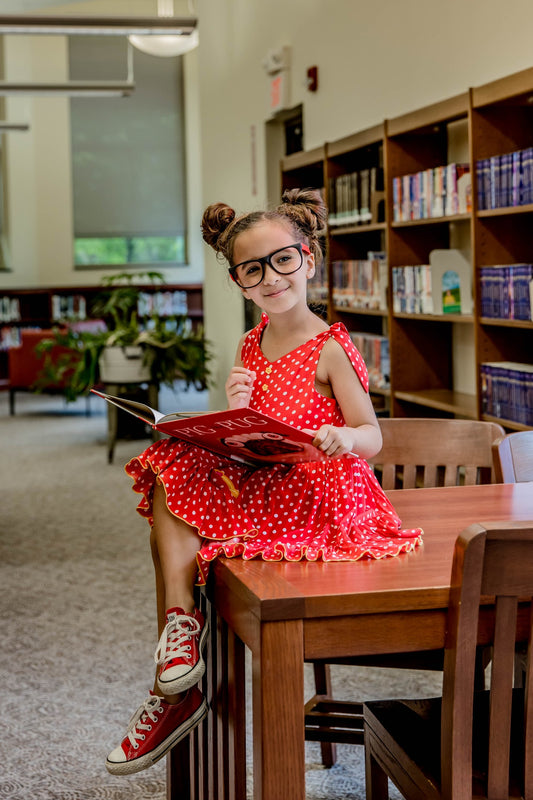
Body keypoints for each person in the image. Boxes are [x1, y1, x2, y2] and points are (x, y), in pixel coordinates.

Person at [105, 188, 423, 775]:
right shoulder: (250, 344)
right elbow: (257, 433)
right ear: (239, 281)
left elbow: (372, 436)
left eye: (284, 260)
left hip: (322, 495)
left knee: (175, 499)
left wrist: (343, 439)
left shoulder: (330, 346)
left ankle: (173, 687)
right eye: (253, 269)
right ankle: (180, 632)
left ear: (309, 257)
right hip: (268, 484)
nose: (272, 278)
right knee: (172, 460)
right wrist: (233, 415)